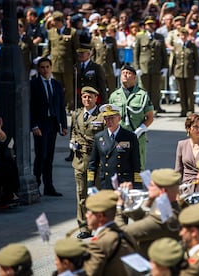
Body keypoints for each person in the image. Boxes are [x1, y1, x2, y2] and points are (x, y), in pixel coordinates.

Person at [115, 168, 181, 258]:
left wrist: (118, 206)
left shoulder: (163, 218)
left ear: (163, 191)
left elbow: (122, 233)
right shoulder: (170, 208)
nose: (148, 187)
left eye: (151, 185)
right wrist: (129, 202)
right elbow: (146, 218)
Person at [70, 86, 104, 239]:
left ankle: (101, 225)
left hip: (96, 162)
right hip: (79, 161)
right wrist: (72, 142)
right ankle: (84, 227)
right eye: (84, 97)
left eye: (90, 97)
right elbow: (74, 132)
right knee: (81, 195)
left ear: (96, 98)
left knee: (97, 196)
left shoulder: (101, 116)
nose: (87, 100)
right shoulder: (77, 114)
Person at [30, 57, 67, 196]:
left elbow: (61, 106)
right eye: (42, 67)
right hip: (40, 124)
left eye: (47, 67)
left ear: (51, 68)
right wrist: (34, 125)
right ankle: (36, 185)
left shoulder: (56, 84)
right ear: (38, 69)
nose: (45, 70)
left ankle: (49, 187)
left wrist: (63, 124)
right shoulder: (33, 84)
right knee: (41, 155)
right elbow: (31, 107)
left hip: (52, 123)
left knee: (50, 156)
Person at [109, 65, 154, 170]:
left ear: (134, 77)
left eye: (128, 73)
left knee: (137, 168)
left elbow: (150, 117)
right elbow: (109, 118)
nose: (125, 75)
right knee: (119, 166)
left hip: (137, 137)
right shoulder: (114, 96)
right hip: (119, 137)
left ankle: (137, 186)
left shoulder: (142, 95)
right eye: (123, 73)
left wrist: (139, 131)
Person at [83, 190, 138, 276]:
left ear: (100, 216)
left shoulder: (99, 243)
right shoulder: (124, 233)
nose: (86, 215)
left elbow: (90, 273)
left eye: (89, 212)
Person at [87, 104, 141, 190]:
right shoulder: (99, 137)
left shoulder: (130, 137)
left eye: (112, 117)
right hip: (105, 182)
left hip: (124, 182)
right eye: (106, 118)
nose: (109, 121)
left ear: (119, 118)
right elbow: (92, 164)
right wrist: (90, 185)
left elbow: (136, 163)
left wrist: (137, 184)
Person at [42, 11, 80, 111]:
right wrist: (42, 58)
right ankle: (57, 106)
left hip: (67, 65)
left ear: (59, 21)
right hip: (55, 65)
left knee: (69, 88)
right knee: (56, 88)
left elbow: (76, 49)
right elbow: (48, 48)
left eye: (54, 20)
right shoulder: (51, 32)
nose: (52, 23)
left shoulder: (72, 32)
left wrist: (77, 64)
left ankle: (68, 107)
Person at [133, 16, 168, 114]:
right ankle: (145, 108)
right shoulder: (140, 37)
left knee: (156, 89)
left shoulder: (159, 37)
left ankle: (156, 107)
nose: (150, 26)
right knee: (144, 89)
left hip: (157, 67)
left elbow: (163, 53)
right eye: (148, 24)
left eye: (152, 24)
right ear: (145, 26)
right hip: (144, 67)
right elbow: (136, 53)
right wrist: (137, 67)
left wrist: (165, 66)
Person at [170, 27, 199, 117]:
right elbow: (173, 60)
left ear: (187, 36)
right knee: (181, 93)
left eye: (184, 35)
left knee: (190, 93)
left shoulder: (192, 45)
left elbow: (196, 60)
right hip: (179, 72)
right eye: (181, 35)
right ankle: (183, 110)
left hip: (190, 72)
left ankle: (190, 110)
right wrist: (172, 73)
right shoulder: (176, 45)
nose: (183, 37)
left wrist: (197, 73)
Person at [91, 23, 120, 93]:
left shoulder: (111, 40)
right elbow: (93, 55)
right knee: (100, 88)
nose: (102, 32)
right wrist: (92, 67)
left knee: (111, 87)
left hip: (109, 67)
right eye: (100, 31)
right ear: (98, 31)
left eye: (103, 30)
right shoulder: (95, 40)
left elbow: (115, 54)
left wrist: (118, 67)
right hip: (99, 67)